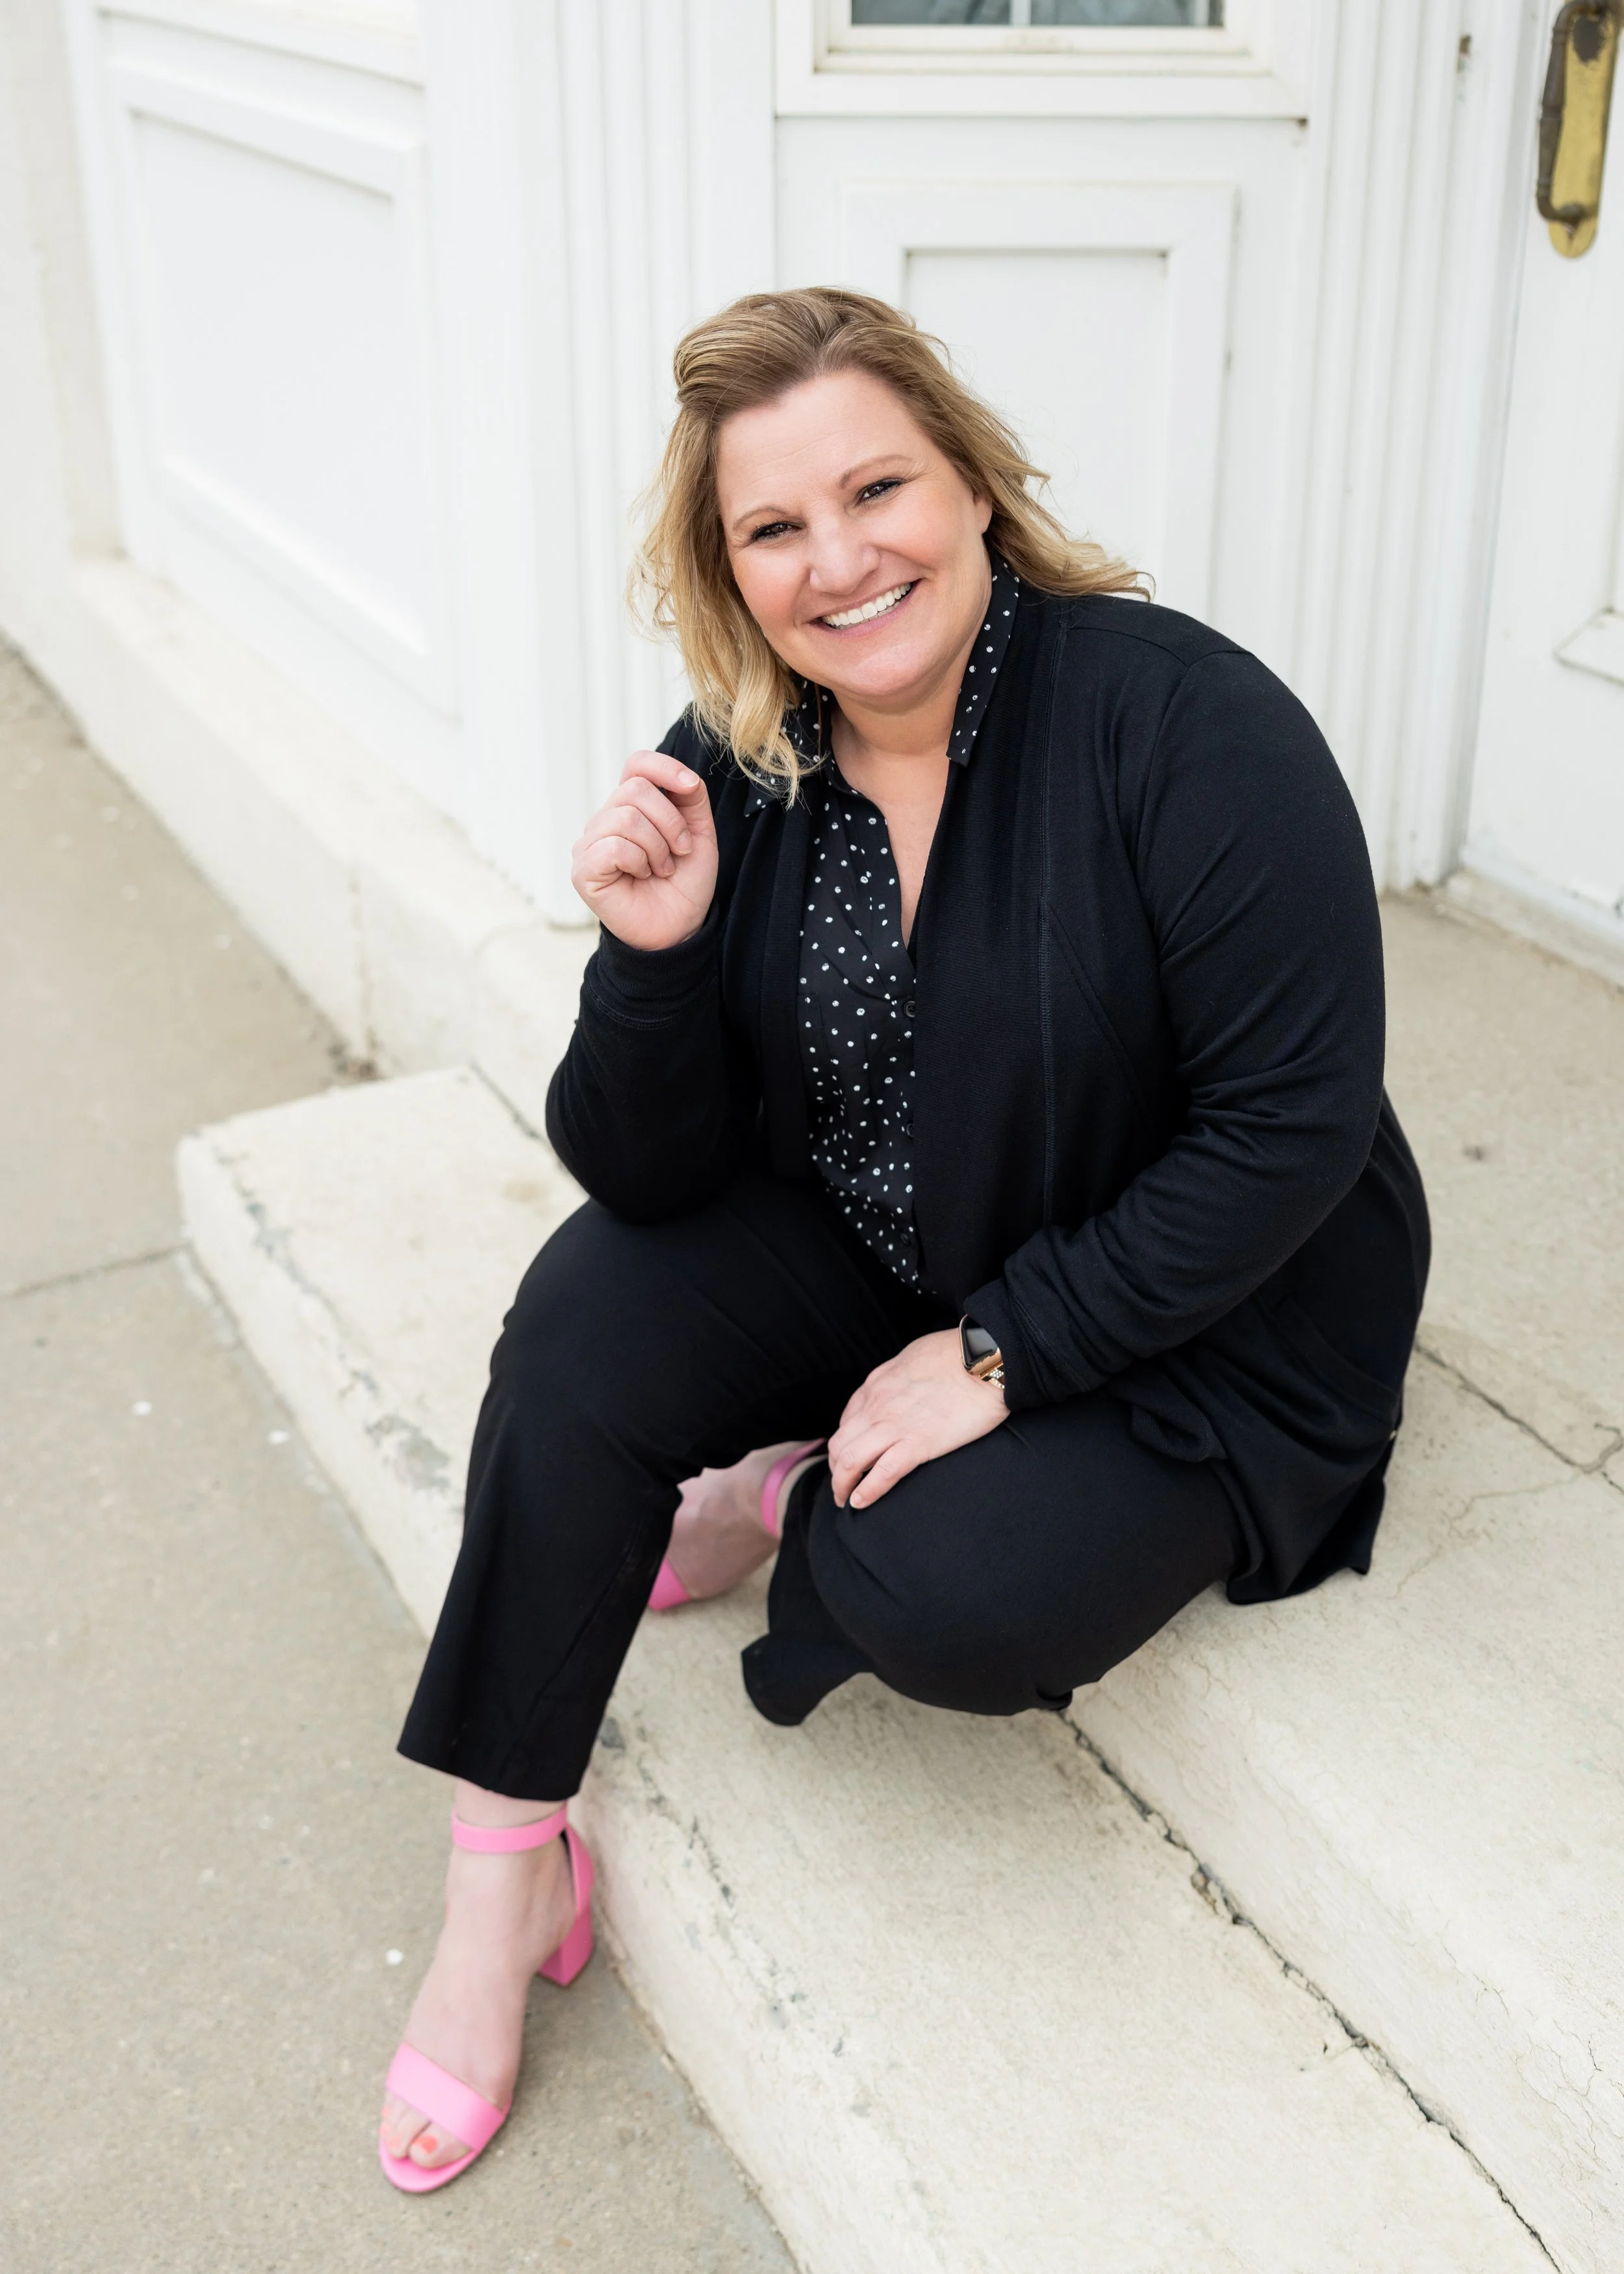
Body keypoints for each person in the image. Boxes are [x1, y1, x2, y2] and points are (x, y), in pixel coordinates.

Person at [377, 287, 1430, 2188]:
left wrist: (999, 1354)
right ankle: (501, 1878)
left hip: (1209, 1298)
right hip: (895, 1232)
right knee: (579, 1329)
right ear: (727, 569)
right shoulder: (745, 754)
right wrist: (651, 961)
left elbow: (1293, 1127)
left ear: (973, 482)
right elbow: (637, 1169)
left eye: (877, 489)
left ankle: (792, 1488)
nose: (840, 559)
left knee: (948, 1587)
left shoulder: (1183, 721)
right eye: (775, 526)